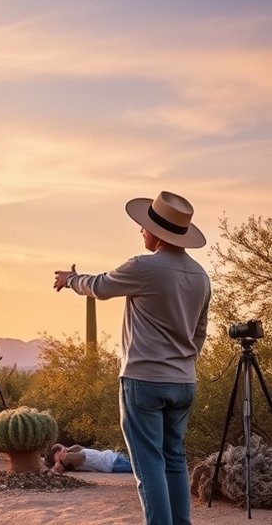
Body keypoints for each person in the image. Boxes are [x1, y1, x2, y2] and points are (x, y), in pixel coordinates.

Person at [54, 190, 210, 525]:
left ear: (157, 233)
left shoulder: (143, 267)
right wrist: (182, 363)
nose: (141, 231)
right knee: (174, 459)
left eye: (143, 227)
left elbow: (100, 286)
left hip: (144, 381)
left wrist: (71, 280)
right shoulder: (201, 276)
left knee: (148, 464)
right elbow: (199, 333)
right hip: (184, 382)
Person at [47, 443, 132, 474]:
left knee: (141, 468)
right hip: (113, 460)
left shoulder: (77, 454)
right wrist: (59, 461)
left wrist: (65, 451)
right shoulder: (76, 460)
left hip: (113, 460)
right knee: (140, 468)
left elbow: (76, 446)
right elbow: (69, 458)